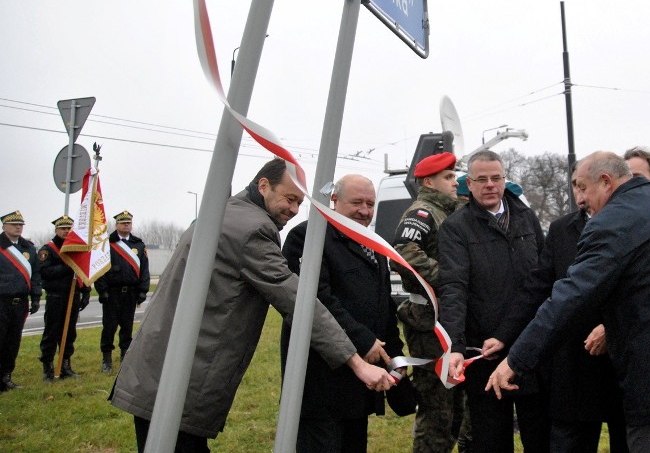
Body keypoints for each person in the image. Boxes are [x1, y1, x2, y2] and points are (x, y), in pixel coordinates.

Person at [110, 158, 395, 453]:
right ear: (263, 186)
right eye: (289, 198)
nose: (294, 210)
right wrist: (357, 362)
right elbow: (298, 301)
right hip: (179, 374)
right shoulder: (252, 231)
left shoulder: (226, 213)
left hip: (163, 366)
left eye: (299, 202)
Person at [487, 152, 650, 453]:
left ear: (606, 181)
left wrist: (517, 359)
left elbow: (569, 299)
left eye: (583, 187)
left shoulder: (609, 224)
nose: (581, 199)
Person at [495, 165, 627, 453]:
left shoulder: (632, 226)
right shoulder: (561, 230)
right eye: (575, 187)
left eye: (583, 188)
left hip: (624, 362)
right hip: (574, 366)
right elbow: (538, 288)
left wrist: (611, 326)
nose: (579, 197)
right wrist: (505, 335)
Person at [282, 174, 403, 453]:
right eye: (357, 202)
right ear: (334, 200)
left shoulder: (374, 243)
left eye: (370, 204)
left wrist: (395, 355)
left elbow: (384, 306)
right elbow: (317, 299)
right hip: (321, 380)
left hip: (361, 383)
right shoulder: (308, 236)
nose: (364, 211)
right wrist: (363, 340)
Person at [438, 150, 549, 453]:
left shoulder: (526, 217)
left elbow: (544, 279)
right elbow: (453, 288)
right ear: (469, 185)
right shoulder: (456, 228)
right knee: (491, 440)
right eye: (482, 179)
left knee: (540, 437)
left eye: (496, 178)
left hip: (531, 348)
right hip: (484, 351)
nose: (490, 185)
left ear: (504, 180)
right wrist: (455, 347)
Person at [390, 152, 469, 453]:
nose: (454, 181)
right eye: (448, 177)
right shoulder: (422, 212)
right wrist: (450, 280)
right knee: (437, 411)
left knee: (456, 409)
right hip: (429, 326)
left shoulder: (452, 210)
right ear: (429, 182)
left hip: (450, 320)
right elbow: (405, 254)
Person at [95, 210, 150, 373]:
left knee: (127, 326)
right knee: (109, 326)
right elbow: (99, 269)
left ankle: (125, 355)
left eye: (129, 223)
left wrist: (142, 291)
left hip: (131, 293)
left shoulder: (138, 244)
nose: (126, 225)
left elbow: (144, 270)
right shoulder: (106, 243)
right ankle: (107, 359)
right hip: (112, 292)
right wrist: (102, 290)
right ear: (116, 225)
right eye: (123, 223)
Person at [38, 215, 91, 381]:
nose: (66, 231)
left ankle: (66, 365)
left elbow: (83, 270)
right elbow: (45, 272)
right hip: (56, 296)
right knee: (51, 333)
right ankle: (48, 367)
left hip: (73, 296)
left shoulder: (76, 248)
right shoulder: (48, 249)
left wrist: (86, 291)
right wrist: (67, 267)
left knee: (69, 333)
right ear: (56, 230)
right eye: (63, 229)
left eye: (69, 228)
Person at [1, 210, 41, 391]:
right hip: (2, 301)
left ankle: (6, 376)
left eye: (21, 224)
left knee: (13, 341)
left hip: (20, 302)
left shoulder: (29, 249)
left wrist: (36, 297)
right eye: (14, 224)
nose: (18, 227)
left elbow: (35, 276)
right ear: (4, 226)